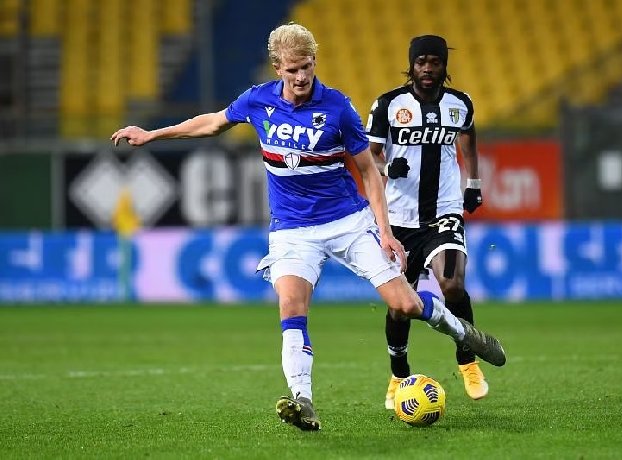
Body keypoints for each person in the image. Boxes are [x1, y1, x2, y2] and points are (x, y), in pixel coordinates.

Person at [111, 23, 505, 432]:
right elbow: (211, 122)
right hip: (292, 230)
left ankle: (463, 332)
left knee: (405, 305)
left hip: (348, 222)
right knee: (291, 306)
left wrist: (385, 232)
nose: (301, 77)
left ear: (315, 62)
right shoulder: (258, 100)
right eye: (293, 69)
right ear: (277, 68)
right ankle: (303, 400)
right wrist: (153, 134)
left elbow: (369, 172)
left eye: (307, 67)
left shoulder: (337, 107)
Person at [366, 35, 491, 406]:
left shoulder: (460, 104)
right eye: (421, 62)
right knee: (399, 306)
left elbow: (468, 140)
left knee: (452, 285)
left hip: (443, 213)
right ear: (412, 65)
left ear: (443, 66)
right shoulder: (388, 105)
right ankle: (398, 375)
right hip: (399, 220)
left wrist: (474, 183)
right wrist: (388, 167)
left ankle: (467, 361)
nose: (427, 69)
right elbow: (369, 156)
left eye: (434, 62)